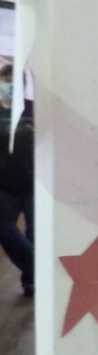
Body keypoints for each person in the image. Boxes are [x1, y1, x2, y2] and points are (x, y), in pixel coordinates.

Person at [0, 63, 34, 297]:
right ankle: (37, 269)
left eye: (15, 83)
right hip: (4, 185)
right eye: (6, 82)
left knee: (37, 231)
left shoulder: (33, 110)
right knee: (4, 229)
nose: (10, 87)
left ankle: (31, 281)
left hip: (34, 184)